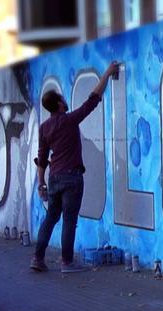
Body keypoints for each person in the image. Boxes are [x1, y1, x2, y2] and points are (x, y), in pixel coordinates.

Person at [31, 61, 121, 273]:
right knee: (69, 221)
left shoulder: (44, 129)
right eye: (62, 98)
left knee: (51, 218)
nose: (64, 99)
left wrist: (40, 184)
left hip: (53, 178)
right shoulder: (69, 120)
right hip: (72, 178)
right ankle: (67, 262)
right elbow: (92, 101)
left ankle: (37, 257)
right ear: (60, 103)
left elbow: (42, 159)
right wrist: (107, 74)